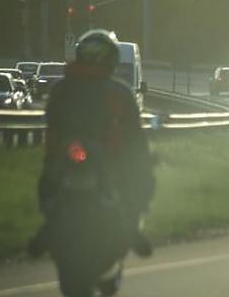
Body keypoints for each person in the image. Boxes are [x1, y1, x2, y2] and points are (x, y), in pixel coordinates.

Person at [28, 29, 154, 258]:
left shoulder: (63, 88)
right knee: (140, 175)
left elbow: (51, 120)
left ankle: (47, 229)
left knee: (49, 179)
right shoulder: (117, 91)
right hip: (94, 153)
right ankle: (132, 230)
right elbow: (134, 134)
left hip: (72, 153)